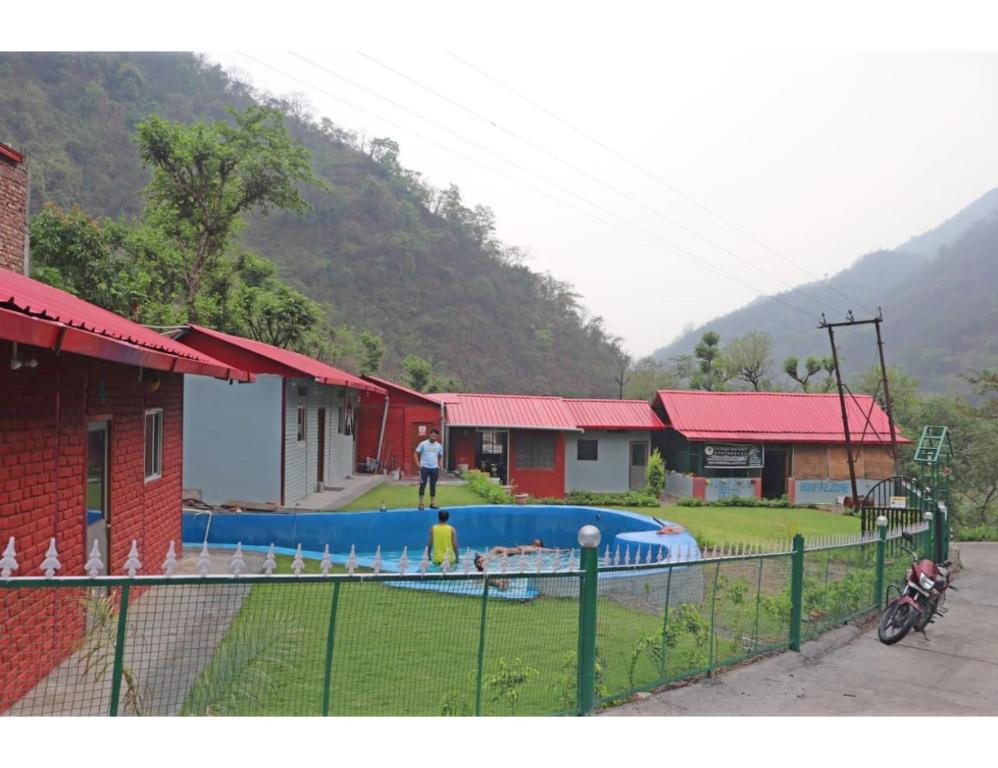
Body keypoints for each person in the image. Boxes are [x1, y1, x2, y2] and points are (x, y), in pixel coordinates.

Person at [413, 428, 444, 511]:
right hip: (424, 468)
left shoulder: (439, 446)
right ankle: (421, 504)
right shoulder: (423, 444)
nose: (434, 437)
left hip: (434, 468)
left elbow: (441, 455)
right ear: (430, 434)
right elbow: (415, 453)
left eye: (436, 436)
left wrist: (440, 464)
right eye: (433, 435)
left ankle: (432, 503)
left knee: (433, 486)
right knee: (422, 486)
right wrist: (417, 464)